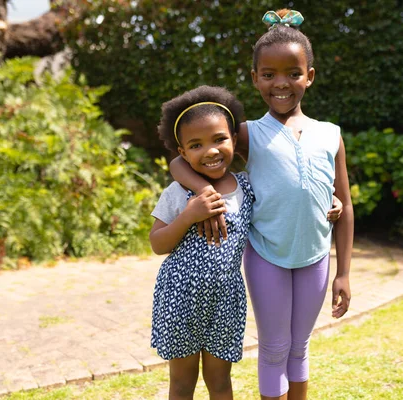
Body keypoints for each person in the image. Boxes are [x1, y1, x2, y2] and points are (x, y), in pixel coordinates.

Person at [170, 9, 354, 400]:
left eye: (293, 73)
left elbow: (347, 206)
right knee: (274, 349)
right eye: (268, 75)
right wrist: (204, 193)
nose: (281, 83)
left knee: (300, 347)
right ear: (255, 79)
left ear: (310, 76)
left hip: (315, 259)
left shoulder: (330, 135)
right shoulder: (247, 133)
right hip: (267, 256)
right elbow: (178, 159)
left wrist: (344, 273)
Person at [149, 85, 253, 400]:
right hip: (181, 298)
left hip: (226, 299)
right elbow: (157, 243)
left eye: (219, 139)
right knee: (182, 384)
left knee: (220, 382)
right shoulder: (179, 193)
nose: (210, 151)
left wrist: (329, 197)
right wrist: (189, 216)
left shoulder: (246, 186)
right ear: (182, 153)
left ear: (234, 139)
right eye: (196, 144)